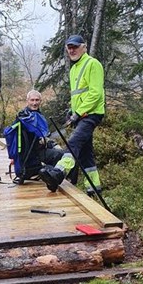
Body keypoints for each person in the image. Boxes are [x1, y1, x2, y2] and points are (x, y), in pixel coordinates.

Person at [38, 35, 105, 194]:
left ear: (84, 47)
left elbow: (95, 94)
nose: (72, 50)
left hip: (91, 114)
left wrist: (79, 112)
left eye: (75, 46)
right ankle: (94, 188)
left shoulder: (93, 64)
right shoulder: (74, 68)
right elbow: (79, 94)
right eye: (69, 47)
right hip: (81, 114)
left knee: (73, 142)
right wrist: (72, 110)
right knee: (86, 153)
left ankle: (58, 172)